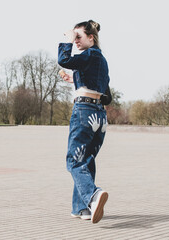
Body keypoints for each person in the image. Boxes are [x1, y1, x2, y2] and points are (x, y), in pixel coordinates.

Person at [58, 20, 110, 224]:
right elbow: (105, 93)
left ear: (91, 38)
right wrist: (76, 79)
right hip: (99, 115)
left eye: (79, 37)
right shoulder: (100, 60)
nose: (76, 41)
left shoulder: (89, 55)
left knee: (74, 161)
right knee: (86, 160)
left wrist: (67, 42)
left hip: (84, 111)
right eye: (74, 37)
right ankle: (81, 208)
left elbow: (64, 60)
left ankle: (93, 196)